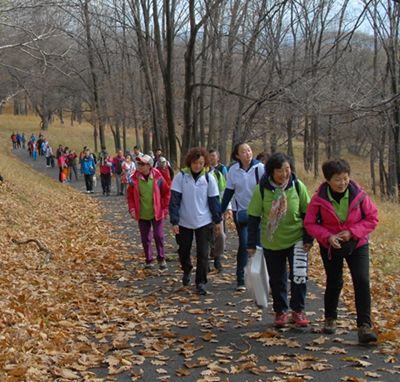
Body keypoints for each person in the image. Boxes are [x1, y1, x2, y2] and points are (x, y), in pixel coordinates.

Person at [304, 158, 378, 343]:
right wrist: (328, 236)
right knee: (334, 281)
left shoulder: (359, 195)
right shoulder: (319, 199)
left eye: (345, 178)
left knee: (361, 280)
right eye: (337, 179)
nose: (342, 183)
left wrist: (352, 232)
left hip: (357, 243)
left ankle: (364, 326)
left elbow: (372, 218)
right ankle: (330, 319)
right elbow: (310, 223)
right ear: (328, 180)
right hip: (330, 245)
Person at [247, 152, 312, 328]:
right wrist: (251, 243)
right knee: (277, 278)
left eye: (287, 169)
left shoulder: (297, 186)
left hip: (296, 238)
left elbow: (308, 213)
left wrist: (308, 238)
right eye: (280, 171)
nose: (284, 174)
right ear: (271, 172)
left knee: (299, 276)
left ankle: (298, 310)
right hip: (272, 241)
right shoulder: (262, 188)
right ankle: (280, 311)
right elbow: (253, 217)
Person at [169, 147, 222, 295]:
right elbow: (174, 200)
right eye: (195, 163)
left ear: (204, 163)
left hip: (204, 221)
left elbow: (214, 201)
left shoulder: (209, 178)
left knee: (203, 253)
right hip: (184, 220)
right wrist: (175, 221)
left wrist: (217, 220)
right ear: (189, 162)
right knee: (183, 250)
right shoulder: (181, 177)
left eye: (200, 163)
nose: (197, 166)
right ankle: (187, 269)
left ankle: (201, 282)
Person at [220, 142, 265, 291]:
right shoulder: (233, 170)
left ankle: (259, 277)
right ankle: (240, 278)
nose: (248, 153)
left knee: (258, 245)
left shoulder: (260, 168)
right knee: (245, 243)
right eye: (244, 151)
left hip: (259, 213)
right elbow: (229, 192)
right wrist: (220, 210)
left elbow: (268, 189)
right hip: (241, 213)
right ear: (237, 155)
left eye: (249, 150)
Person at [127, 154, 170, 269]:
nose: (139, 166)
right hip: (142, 213)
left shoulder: (158, 177)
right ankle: (149, 260)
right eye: (138, 164)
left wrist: (165, 208)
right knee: (145, 238)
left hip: (157, 212)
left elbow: (166, 193)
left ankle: (161, 259)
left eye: (142, 164)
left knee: (158, 235)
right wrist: (131, 209)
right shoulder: (134, 179)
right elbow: (130, 196)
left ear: (149, 166)